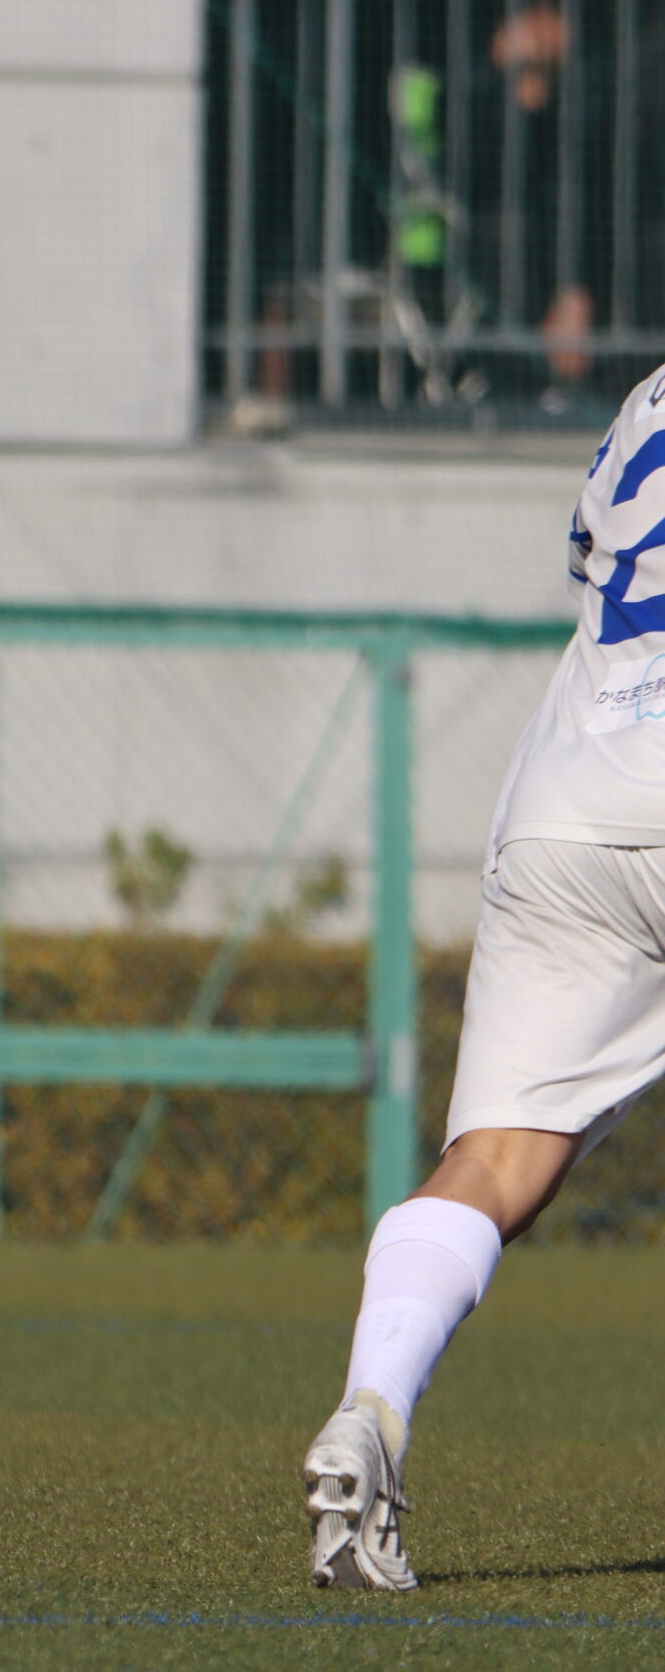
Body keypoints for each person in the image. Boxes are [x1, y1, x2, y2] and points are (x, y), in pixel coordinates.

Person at [303, 360, 665, 1589]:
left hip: (570, 802)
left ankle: (372, 1406)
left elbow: (591, 561)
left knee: (494, 1161)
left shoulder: (644, 400)